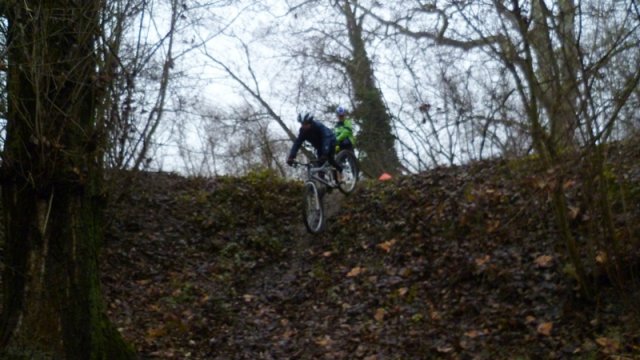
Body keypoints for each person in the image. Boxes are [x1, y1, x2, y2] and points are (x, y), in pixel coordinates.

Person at [287, 113, 343, 183]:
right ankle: (324, 185)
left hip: (330, 141)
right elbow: (297, 143)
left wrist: (325, 153)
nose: (303, 126)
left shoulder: (318, 126)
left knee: (330, 159)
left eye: (305, 124)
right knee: (320, 166)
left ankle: (340, 170)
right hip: (319, 146)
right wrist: (291, 156)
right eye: (302, 124)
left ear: (310, 122)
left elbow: (326, 138)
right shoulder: (303, 131)